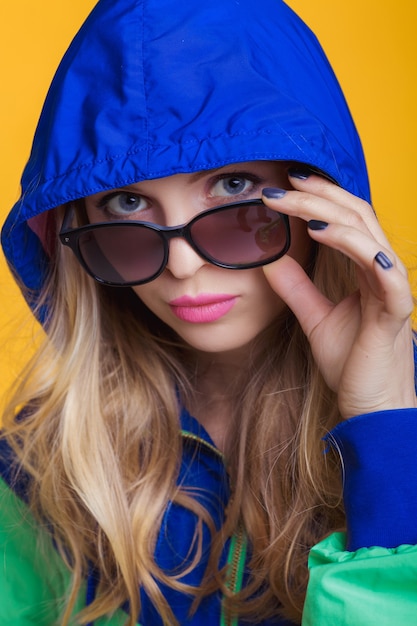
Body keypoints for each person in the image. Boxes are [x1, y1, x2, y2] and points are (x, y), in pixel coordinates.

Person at [1, 0, 416, 624]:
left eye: (233, 188)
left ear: (320, 196)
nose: (183, 266)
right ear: (76, 227)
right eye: (126, 201)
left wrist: (386, 430)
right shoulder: (36, 465)